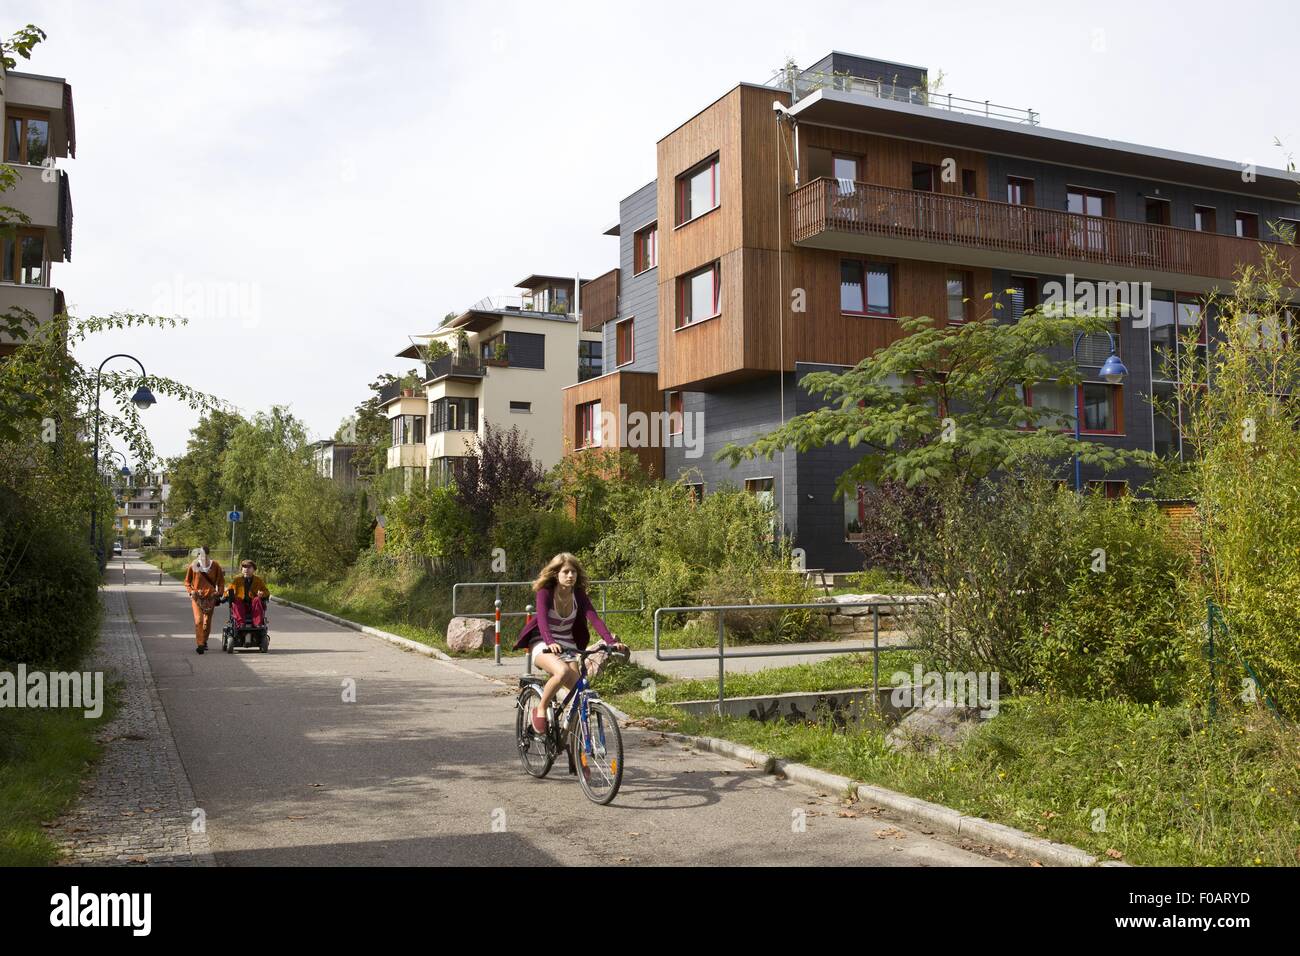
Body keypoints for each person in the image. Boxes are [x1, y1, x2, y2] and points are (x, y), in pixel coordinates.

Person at [512, 552, 627, 733]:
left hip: (567, 644)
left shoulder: (578, 595)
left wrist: (611, 641)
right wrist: (550, 641)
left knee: (582, 690)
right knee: (562, 671)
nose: (570, 576)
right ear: (556, 574)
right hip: (543, 642)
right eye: (565, 572)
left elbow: (594, 619)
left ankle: (572, 739)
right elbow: (542, 620)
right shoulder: (545, 593)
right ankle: (541, 707)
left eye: (573, 572)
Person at [183, 546, 225, 654]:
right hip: (197, 597)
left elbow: (221, 581)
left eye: (203, 555)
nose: (200, 557)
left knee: (207, 621)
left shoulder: (215, 565)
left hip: (211, 597)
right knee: (199, 620)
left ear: (207, 555)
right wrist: (191, 591)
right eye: (199, 555)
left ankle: (204, 640)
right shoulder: (194, 565)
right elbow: (187, 582)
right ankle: (200, 644)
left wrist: (219, 592)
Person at [225, 559, 269, 629]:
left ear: (253, 569)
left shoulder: (258, 580)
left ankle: (257, 624)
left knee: (257, 599)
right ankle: (241, 623)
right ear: (242, 569)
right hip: (241, 606)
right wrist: (227, 593)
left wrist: (262, 594)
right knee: (237, 599)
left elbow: (267, 592)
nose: (246, 569)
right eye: (244, 567)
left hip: (253, 606)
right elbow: (227, 591)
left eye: (249, 567)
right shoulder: (237, 580)